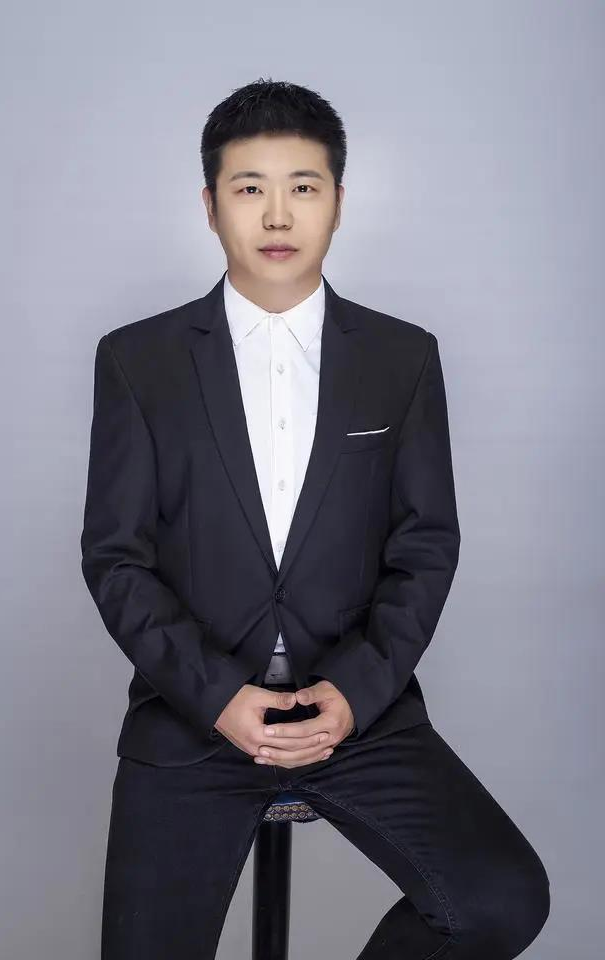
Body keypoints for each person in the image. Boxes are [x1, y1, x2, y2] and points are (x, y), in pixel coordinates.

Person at [81, 78, 550, 959]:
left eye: (303, 186)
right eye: (248, 188)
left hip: (356, 713)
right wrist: (217, 697)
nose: (277, 214)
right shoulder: (138, 359)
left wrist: (356, 692)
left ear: (338, 202)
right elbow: (116, 558)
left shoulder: (402, 358)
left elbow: (425, 546)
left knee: (501, 898)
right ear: (210, 206)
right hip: (194, 716)